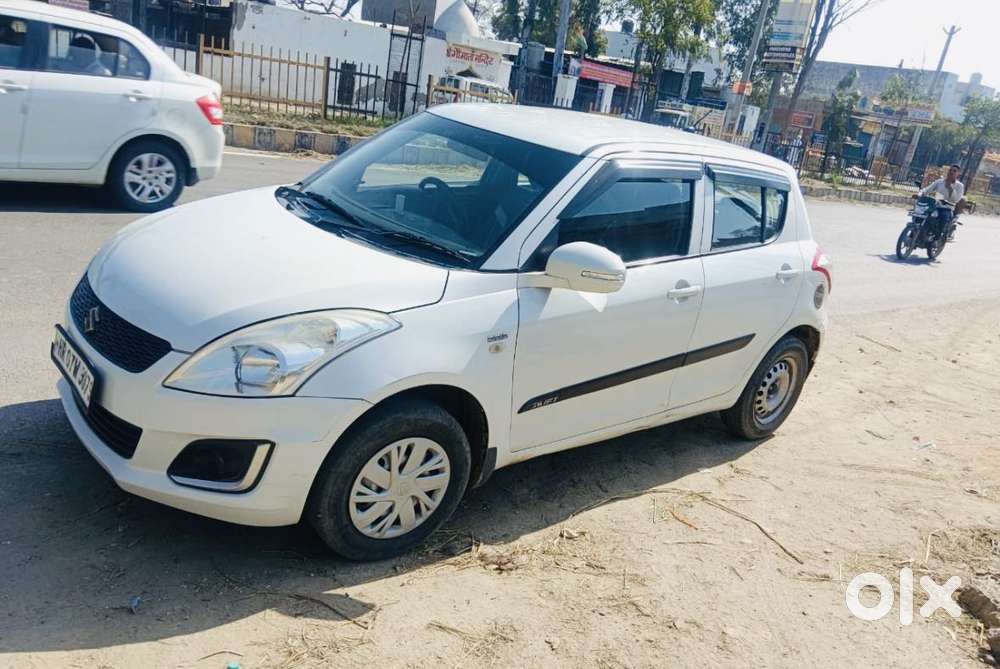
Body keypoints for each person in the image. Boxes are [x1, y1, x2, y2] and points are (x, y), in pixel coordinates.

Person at [914, 164, 966, 241]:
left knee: (943, 218)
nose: (951, 172)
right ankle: (914, 234)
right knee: (921, 214)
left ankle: (936, 239)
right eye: (950, 170)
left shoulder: (959, 186)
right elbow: (927, 190)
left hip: (947, 208)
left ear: (958, 174)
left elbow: (956, 200)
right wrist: (919, 194)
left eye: (954, 171)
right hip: (934, 205)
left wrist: (950, 187)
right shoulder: (939, 182)